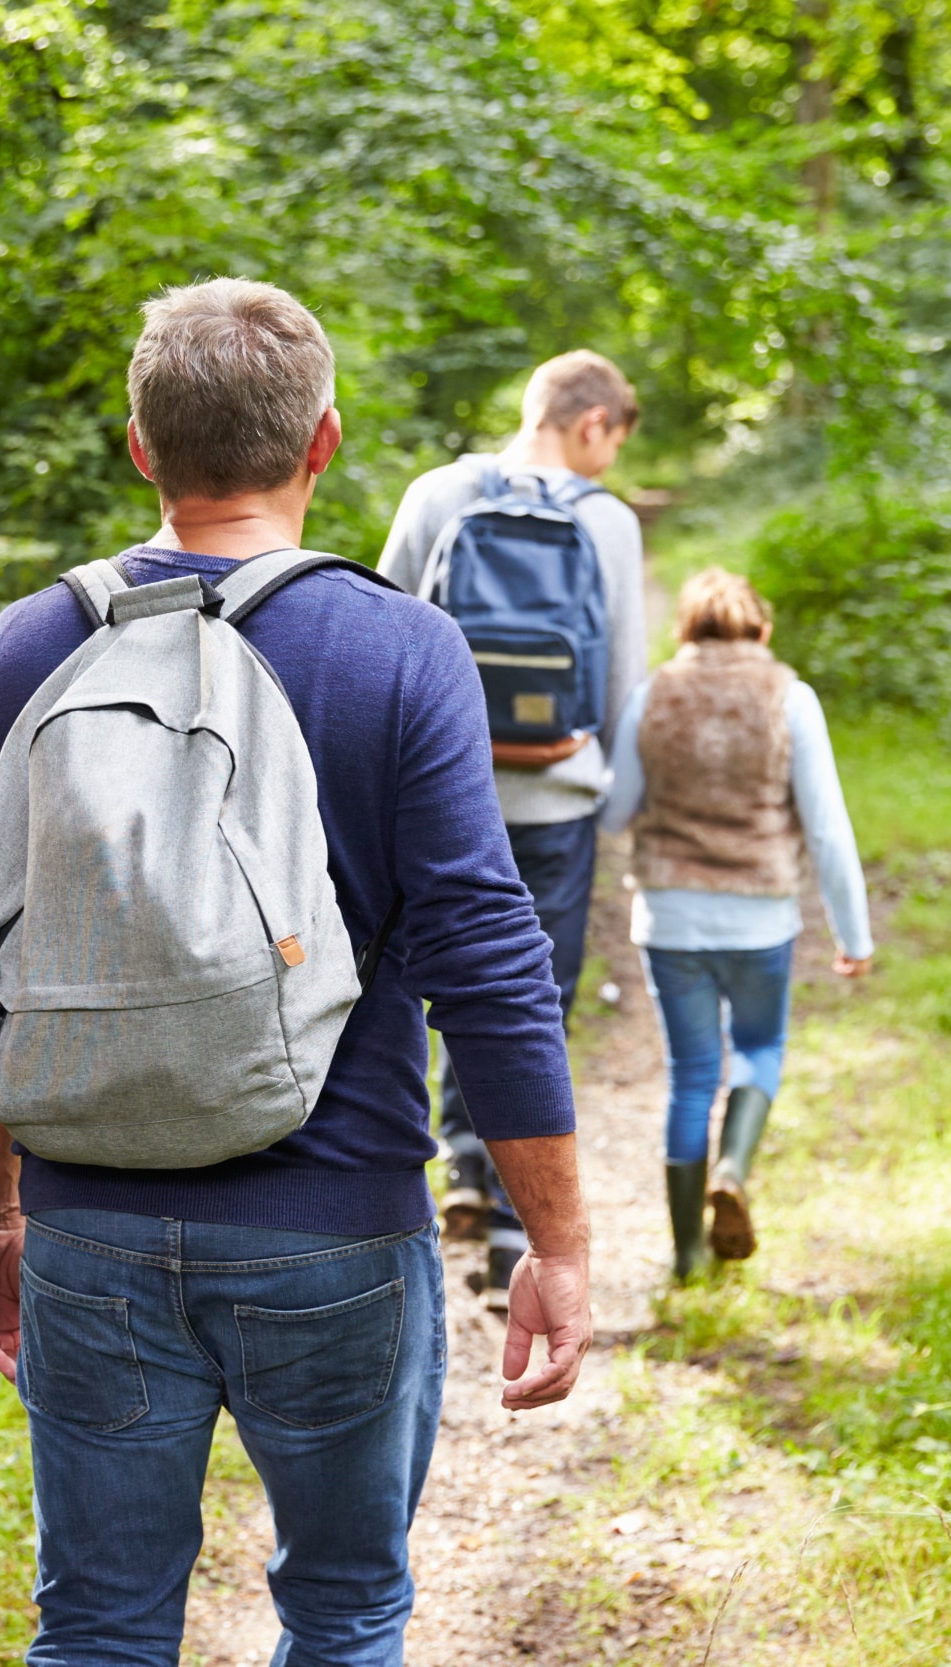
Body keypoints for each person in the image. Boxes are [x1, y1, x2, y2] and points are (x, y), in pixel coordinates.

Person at [0, 278, 592, 1666]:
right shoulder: (399, 649)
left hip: (90, 1228)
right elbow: (487, 962)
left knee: (98, 1627)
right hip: (335, 1221)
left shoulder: (26, 650)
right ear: (326, 443)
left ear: (140, 448)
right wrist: (558, 1243)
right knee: (344, 1610)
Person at [378, 352, 645, 1305]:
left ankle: (456, 1164)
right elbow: (620, 679)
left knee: (436, 984)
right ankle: (506, 1239)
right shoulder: (606, 522)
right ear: (593, 424)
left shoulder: (438, 491)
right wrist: (604, 787)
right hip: (558, 796)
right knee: (535, 1002)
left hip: (445, 798)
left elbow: (385, 635)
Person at [599, 567, 874, 1282]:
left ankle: (687, 1255)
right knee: (759, 1049)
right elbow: (828, 829)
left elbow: (614, 808)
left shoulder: (652, 694)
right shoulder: (791, 696)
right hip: (760, 919)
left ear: (685, 630)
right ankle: (733, 1167)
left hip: (669, 918)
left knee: (692, 1077)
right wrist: (854, 936)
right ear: (763, 628)